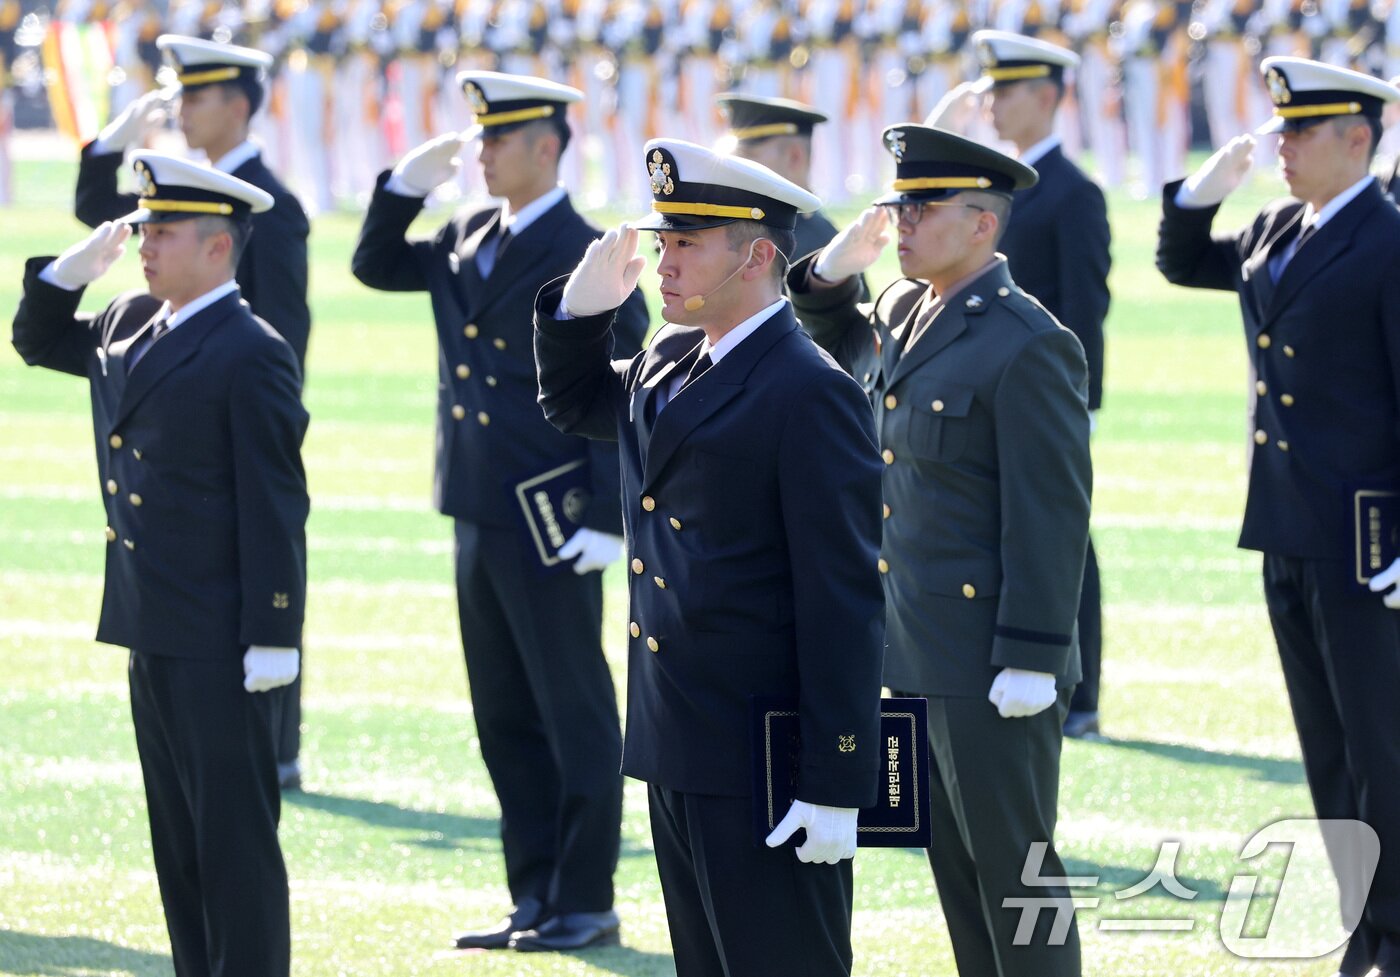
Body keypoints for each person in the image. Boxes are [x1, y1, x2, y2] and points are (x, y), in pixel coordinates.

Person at [533, 139, 885, 977]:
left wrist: (836, 777)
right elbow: (574, 403)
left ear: (757, 256)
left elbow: (841, 600)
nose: (664, 263)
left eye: (687, 244)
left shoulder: (809, 388)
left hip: (766, 755)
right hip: (675, 736)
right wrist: (577, 314)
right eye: (663, 242)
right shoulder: (667, 358)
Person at [351, 70, 648, 953]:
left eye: (497, 138)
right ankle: (533, 893)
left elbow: (625, 383)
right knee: (504, 712)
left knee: (572, 708)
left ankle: (584, 898)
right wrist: (402, 188)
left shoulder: (585, 249)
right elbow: (374, 264)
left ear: (546, 146)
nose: (480, 153)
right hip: (476, 501)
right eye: (478, 137)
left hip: (553, 512)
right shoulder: (464, 231)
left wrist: (607, 514)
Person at [789, 124, 1092, 977]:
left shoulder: (1028, 341)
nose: (903, 222)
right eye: (900, 206)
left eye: (922, 208)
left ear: (983, 224)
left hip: (989, 661)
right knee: (957, 874)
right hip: (913, 648)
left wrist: (1033, 655)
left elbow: (1051, 513)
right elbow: (830, 334)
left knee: (1018, 876)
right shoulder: (900, 309)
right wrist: (831, 269)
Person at [11, 153, 308, 977]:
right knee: (177, 842)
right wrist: (65, 276)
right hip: (149, 621)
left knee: (235, 845)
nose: (144, 244)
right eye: (144, 228)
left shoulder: (250, 349)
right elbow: (36, 339)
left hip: (221, 637)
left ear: (217, 246)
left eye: (163, 231)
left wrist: (275, 631)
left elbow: (275, 502)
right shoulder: (128, 319)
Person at [1157, 57, 1400, 977]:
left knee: (1381, 746)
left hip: (1367, 541)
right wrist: (1207, 187)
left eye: (1302, 131)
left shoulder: (1388, 240)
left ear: (1358, 139)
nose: (1282, 146)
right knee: (1326, 749)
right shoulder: (1275, 227)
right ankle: (1365, 925)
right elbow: (1183, 261)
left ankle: (1396, 935)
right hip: (1287, 525)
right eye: (1282, 129)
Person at [75, 33, 313, 789]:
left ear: (238, 104)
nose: (182, 108)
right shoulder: (190, 193)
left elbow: (283, 327)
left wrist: (258, 403)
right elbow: (105, 219)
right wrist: (102, 151)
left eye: (198, 94)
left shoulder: (269, 205)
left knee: (256, 557)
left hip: (238, 403)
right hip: (191, 392)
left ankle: (278, 740)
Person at [972, 29, 1112, 738]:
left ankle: (1080, 693)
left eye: (1007, 90)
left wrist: (1081, 404)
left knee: (1063, 537)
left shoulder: (1072, 192)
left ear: (1048, 96)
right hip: (988, 393)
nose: (993, 103)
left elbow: (1086, 307)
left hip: (1046, 397)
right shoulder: (992, 186)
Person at [715, 92, 841, 260]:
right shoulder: (741, 226)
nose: (736, 168)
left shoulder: (826, 248)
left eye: (747, 156)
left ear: (794, 157)